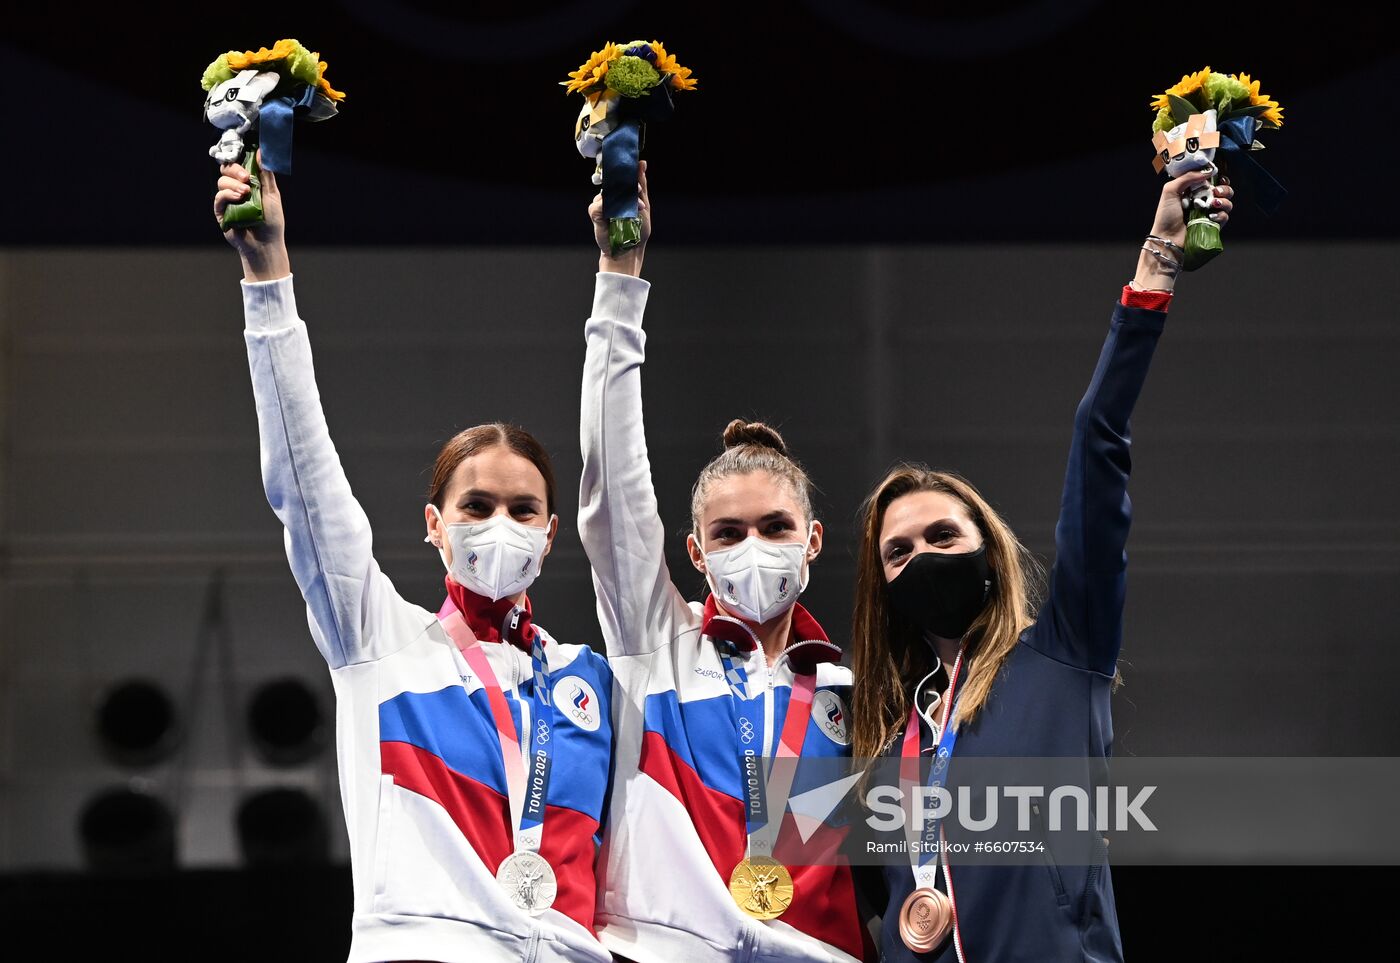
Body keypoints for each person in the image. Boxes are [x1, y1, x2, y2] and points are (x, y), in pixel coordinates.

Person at [214, 153, 615, 962]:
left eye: (522, 508)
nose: (499, 524)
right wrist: (268, 281)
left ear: (551, 532)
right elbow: (303, 478)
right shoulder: (380, 642)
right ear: (435, 525)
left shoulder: (593, 681)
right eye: (476, 506)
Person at [849, 167, 1233, 961]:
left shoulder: (1064, 651)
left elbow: (1099, 442)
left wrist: (1157, 262)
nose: (922, 556)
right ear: (881, 588)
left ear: (988, 550)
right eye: (899, 551)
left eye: (943, 537)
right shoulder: (883, 747)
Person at [577, 163, 872, 962]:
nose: (754, 546)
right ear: (695, 552)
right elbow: (613, 493)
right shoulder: (659, 645)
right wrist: (619, 276)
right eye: (730, 531)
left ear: (812, 542)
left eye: (775, 525)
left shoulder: (857, 688)